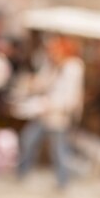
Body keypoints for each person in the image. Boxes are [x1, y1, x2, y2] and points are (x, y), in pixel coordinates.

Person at [16, 35, 84, 190]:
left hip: (59, 117)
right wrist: (31, 84)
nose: (52, 52)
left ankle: (63, 182)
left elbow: (70, 98)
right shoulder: (51, 65)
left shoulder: (73, 67)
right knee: (28, 139)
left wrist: (48, 104)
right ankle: (22, 173)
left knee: (59, 150)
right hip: (43, 114)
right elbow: (42, 83)